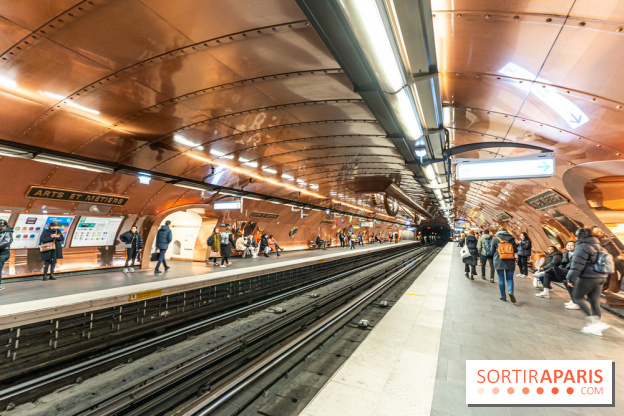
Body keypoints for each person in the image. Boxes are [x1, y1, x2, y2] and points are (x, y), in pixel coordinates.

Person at [567, 228, 611, 336]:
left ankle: (594, 323)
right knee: (594, 301)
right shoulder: (601, 247)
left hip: (588, 277)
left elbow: (577, 265)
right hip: (601, 277)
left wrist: (570, 278)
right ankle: (597, 328)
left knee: (577, 298)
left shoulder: (582, 246)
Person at [591, 226, 624, 293]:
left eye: (600, 229)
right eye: (598, 232)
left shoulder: (614, 239)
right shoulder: (599, 246)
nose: (600, 231)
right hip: (615, 268)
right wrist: (618, 258)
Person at [490, 226, 518, 303]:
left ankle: (503, 296)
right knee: (509, 278)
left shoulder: (495, 238)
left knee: (501, 278)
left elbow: (491, 250)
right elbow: (515, 249)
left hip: (499, 260)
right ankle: (510, 291)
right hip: (510, 260)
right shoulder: (511, 239)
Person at [0, 219, 13, 290]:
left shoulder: (8, 232)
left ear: (6, 225)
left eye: (3, 226)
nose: (1, 228)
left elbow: (6, 242)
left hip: (4, 252)